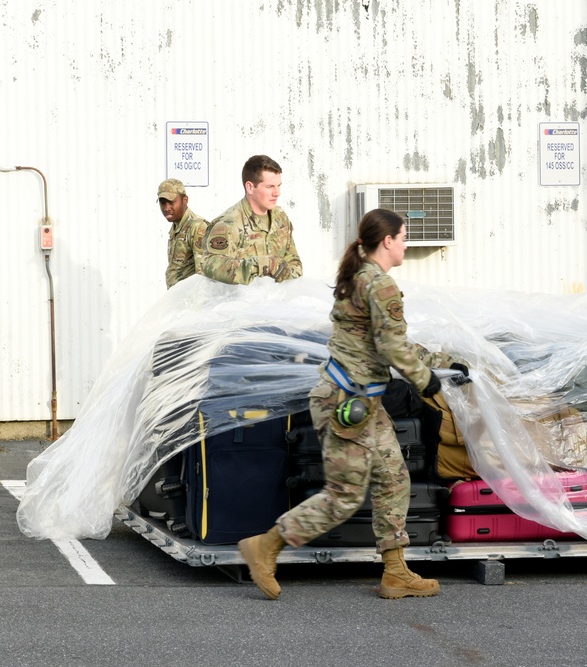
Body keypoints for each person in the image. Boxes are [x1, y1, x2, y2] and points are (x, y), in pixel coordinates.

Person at [238, 208, 470, 600]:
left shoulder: (361, 277)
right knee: (344, 496)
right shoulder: (379, 285)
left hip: (361, 402)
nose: (406, 244)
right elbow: (392, 346)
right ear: (388, 241)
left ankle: (395, 572)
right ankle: (265, 546)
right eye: (403, 237)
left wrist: (441, 363)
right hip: (347, 405)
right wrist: (426, 382)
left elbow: (384, 342)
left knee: (394, 478)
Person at [200, 155, 303, 285]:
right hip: (240, 303)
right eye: (270, 186)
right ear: (250, 187)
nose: (277, 193)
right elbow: (211, 265)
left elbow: (294, 261)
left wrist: (287, 274)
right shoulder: (229, 225)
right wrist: (259, 266)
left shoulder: (280, 217)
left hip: (277, 302)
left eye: (278, 186)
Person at [157, 178, 208, 289]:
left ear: (185, 200)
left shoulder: (197, 227)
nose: (166, 208)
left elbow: (204, 276)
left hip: (191, 302)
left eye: (171, 202)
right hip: (178, 300)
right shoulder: (177, 227)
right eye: (162, 203)